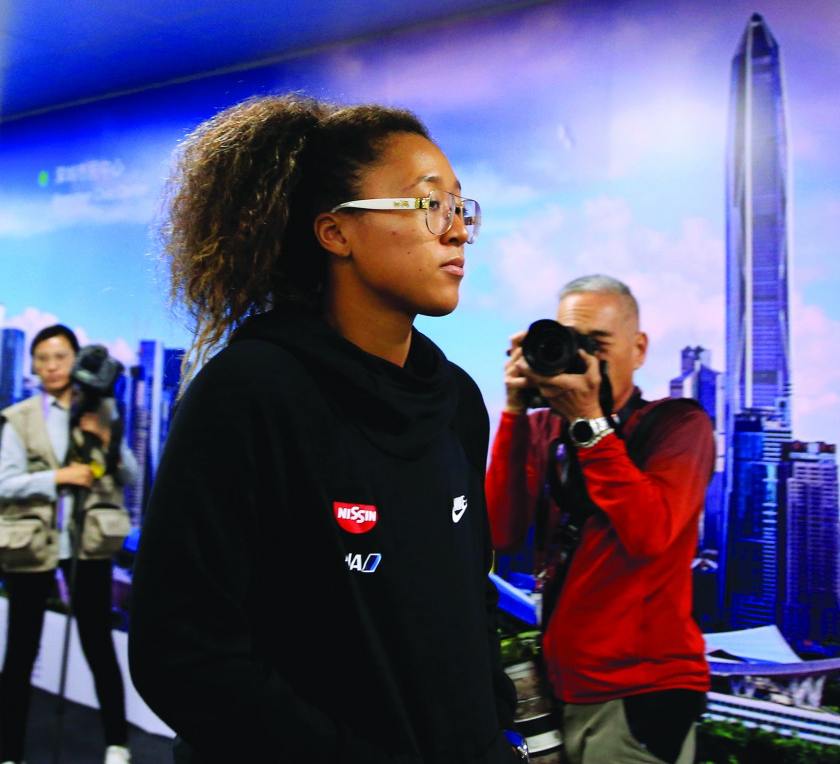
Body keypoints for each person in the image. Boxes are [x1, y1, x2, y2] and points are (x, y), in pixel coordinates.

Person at [127, 94, 522, 763]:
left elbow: (465, 598)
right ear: (335, 232)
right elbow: (183, 655)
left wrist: (496, 736)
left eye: (461, 207)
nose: (456, 230)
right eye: (430, 204)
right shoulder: (249, 395)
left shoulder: (455, 400)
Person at [486, 275, 714, 764]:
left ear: (639, 349)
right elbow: (502, 532)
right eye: (570, 342)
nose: (581, 357)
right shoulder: (548, 427)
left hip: (641, 692)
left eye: (597, 344)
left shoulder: (679, 424)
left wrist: (589, 423)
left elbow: (650, 533)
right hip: (562, 686)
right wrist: (514, 412)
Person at [0, 323, 138, 764]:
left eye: (60, 356)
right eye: (42, 358)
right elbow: (5, 483)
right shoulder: (18, 418)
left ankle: (118, 744)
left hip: (87, 547)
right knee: (20, 654)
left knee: (98, 646)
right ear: (33, 365)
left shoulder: (101, 410)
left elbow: (131, 474)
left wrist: (103, 436)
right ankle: (8, 751)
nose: (52, 366)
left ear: (76, 361)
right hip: (31, 545)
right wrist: (58, 477)